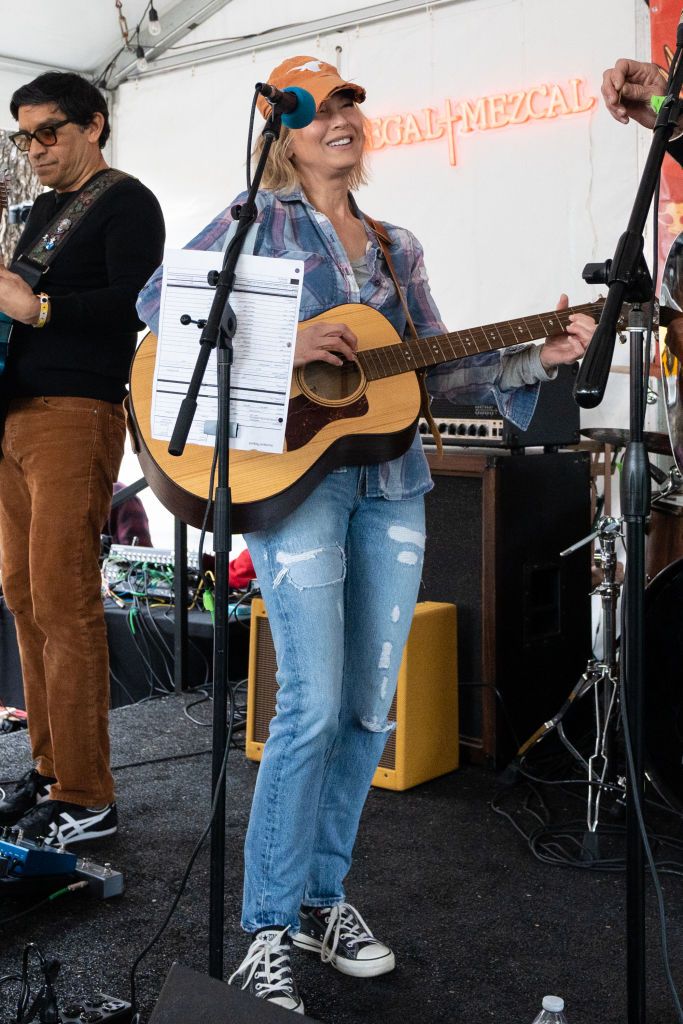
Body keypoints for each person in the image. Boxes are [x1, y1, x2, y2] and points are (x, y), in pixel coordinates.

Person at [138, 55, 595, 1015]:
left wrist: (529, 355)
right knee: (306, 706)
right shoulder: (251, 224)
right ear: (284, 133)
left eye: (352, 103)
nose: (344, 117)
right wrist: (280, 342)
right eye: (321, 108)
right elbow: (157, 311)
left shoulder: (397, 245)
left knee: (365, 710)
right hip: (295, 488)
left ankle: (319, 898)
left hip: (393, 486)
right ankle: (264, 929)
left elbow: (427, 370)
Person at [0, 73, 165, 846]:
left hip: (76, 413)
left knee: (63, 599)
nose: (35, 149)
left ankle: (87, 793)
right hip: (14, 415)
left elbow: (140, 302)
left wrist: (41, 307)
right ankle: (49, 769)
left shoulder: (126, 202)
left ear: (93, 124)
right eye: (23, 136)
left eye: (48, 132)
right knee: (23, 595)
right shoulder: (38, 212)